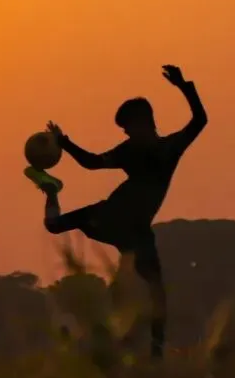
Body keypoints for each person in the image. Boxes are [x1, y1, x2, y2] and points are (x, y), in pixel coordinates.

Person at [28, 64, 208, 359]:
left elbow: (200, 120)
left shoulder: (169, 148)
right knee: (54, 225)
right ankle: (51, 191)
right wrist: (65, 142)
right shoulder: (129, 150)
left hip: (136, 232)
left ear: (144, 123)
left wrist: (184, 86)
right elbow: (91, 163)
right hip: (110, 215)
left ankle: (155, 351)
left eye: (127, 127)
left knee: (156, 291)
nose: (125, 133)